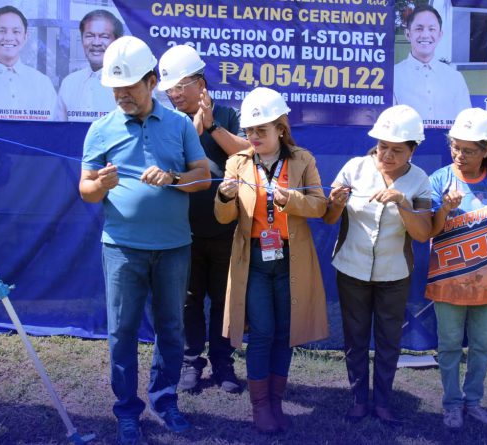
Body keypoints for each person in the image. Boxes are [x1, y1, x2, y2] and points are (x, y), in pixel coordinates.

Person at [78, 36, 209, 445]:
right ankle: (127, 411)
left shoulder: (180, 125)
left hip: (173, 247)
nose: (122, 95)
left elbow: (203, 177)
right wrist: (98, 184)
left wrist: (172, 178)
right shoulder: (100, 130)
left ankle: (165, 400)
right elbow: (84, 188)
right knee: (121, 332)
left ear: (152, 81)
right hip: (121, 247)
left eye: (130, 87)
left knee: (171, 328)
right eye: (116, 89)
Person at [215, 87, 328, 433]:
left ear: (280, 128)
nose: (253, 137)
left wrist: (291, 200)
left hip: (291, 261)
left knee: (284, 333)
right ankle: (260, 407)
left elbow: (320, 206)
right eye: (249, 131)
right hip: (254, 263)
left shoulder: (302, 159)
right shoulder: (237, 162)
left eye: (260, 130)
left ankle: (276, 404)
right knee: (262, 332)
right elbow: (224, 218)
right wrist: (223, 195)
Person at [324, 104, 433, 426]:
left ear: (413, 149)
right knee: (355, 337)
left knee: (388, 340)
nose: (387, 154)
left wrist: (402, 203)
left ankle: (383, 401)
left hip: (394, 273)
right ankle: (359, 399)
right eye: (383, 146)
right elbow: (330, 218)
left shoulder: (420, 180)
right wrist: (336, 203)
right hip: (351, 268)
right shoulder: (354, 168)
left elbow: (422, 233)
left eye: (397, 150)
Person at [426, 108, 487, 428]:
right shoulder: (439, 179)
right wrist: (444, 207)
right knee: (450, 346)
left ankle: (474, 401)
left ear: (486, 150)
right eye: (454, 146)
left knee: (482, 347)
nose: (459, 154)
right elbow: (430, 229)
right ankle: (452, 404)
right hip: (447, 281)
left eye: (468, 150)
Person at [157, 44, 248, 394]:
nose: (173, 94)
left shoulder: (227, 114)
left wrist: (211, 127)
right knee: (188, 299)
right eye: (169, 89)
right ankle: (191, 362)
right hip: (182, 231)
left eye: (180, 86)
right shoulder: (168, 121)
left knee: (225, 300)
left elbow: (248, 153)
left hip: (226, 230)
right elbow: (168, 163)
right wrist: (192, 130)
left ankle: (224, 363)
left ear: (200, 84)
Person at [0, 5, 58, 121]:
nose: (8, 37)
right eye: (2, 31)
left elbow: (52, 127)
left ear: (25, 37)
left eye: (16, 31)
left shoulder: (42, 83)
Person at [393, 4, 471, 126]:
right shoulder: (394, 77)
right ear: (408, 34)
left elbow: (466, 125)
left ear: (440, 35)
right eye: (419, 28)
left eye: (432, 29)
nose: (425, 35)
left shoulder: (455, 78)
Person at [56, 9, 122, 122]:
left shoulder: (132, 83)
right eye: (90, 36)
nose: (96, 43)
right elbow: (59, 131)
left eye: (104, 36)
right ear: (82, 40)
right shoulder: (69, 83)